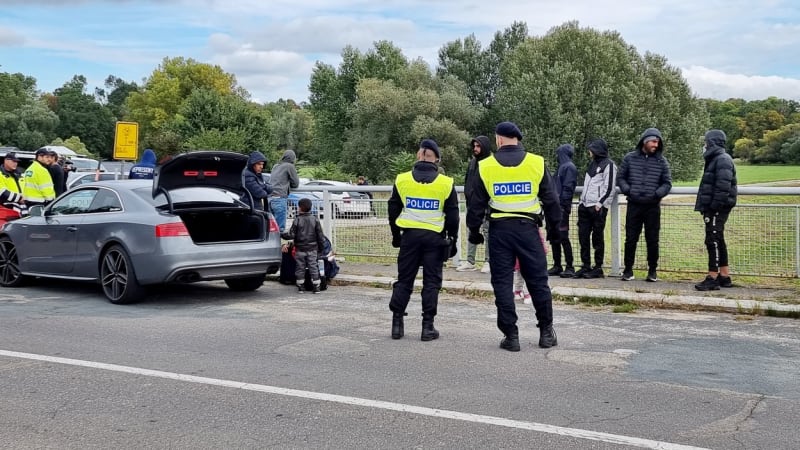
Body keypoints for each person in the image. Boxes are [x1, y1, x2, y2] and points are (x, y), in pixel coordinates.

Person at [466, 121, 561, 351]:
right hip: (528, 230)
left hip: (499, 232)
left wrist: (474, 231)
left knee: (502, 283)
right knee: (538, 281)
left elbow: (476, 204)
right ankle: (546, 333)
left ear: (498, 139)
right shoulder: (536, 163)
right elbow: (551, 200)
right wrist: (555, 230)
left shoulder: (486, 166)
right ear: (517, 139)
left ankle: (511, 336)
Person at [388, 139, 459, 341]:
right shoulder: (446, 183)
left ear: (419, 156)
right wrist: (452, 238)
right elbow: (453, 215)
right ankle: (427, 327)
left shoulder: (402, 180)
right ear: (436, 159)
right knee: (431, 282)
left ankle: (397, 324)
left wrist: (396, 236)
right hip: (434, 240)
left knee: (404, 280)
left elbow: (393, 210)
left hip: (409, 237)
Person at [617, 128, 673, 282]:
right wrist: (629, 190)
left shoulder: (662, 161)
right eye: (654, 141)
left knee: (653, 239)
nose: (656, 144)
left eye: (658, 142)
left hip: (652, 207)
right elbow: (621, 178)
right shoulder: (629, 158)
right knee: (630, 238)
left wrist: (657, 194)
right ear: (645, 141)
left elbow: (667, 183)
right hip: (634, 205)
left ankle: (652, 271)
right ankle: (628, 270)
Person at [694, 129, 738, 291]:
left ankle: (712, 277)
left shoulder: (722, 160)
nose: (704, 146)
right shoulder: (718, 159)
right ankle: (724, 276)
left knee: (712, 240)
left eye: (705, 142)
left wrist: (713, 207)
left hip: (717, 208)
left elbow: (722, 187)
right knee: (718, 239)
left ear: (712, 142)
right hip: (716, 207)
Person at [574, 139, 616, 279]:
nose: (589, 152)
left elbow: (609, 187)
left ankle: (598, 267)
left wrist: (600, 204)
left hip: (597, 207)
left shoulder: (609, 165)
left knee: (597, 238)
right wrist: (582, 202)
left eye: (591, 149)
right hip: (585, 205)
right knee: (583, 236)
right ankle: (585, 265)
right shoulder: (592, 165)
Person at [457, 135, 493, 273]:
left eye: (478, 146)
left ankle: (488, 261)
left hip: (487, 205)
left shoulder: (491, 163)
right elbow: (468, 181)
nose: (475, 149)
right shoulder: (472, 163)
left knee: (487, 231)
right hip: (472, 204)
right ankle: (470, 261)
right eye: (474, 146)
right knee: (472, 230)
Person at [281, 198, 326, 294]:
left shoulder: (297, 220)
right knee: (313, 266)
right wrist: (321, 249)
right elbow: (320, 236)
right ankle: (316, 286)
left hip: (300, 249)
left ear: (300, 208)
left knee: (300, 267)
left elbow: (291, 235)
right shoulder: (315, 219)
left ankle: (301, 286)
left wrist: (281, 234)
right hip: (313, 248)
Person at [548, 144, 578, 278]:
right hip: (554, 207)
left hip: (561, 208)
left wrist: (563, 206)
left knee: (563, 237)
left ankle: (570, 266)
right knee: (554, 236)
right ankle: (557, 265)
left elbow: (568, 187)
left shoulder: (569, 167)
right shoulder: (561, 167)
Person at [270, 149, 300, 232]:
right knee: (279, 230)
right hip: (279, 199)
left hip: (269, 199)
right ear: (293, 159)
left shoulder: (275, 166)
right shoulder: (289, 166)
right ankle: (277, 245)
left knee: (270, 229)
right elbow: (296, 183)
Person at [0, 152, 27, 219]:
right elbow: (2, 192)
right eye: (13, 161)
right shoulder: (1, 174)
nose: (15, 163)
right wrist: (20, 198)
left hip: (22, 206)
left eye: (17, 161)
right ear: (6, 160)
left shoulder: (20, 173)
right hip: (6, 208)